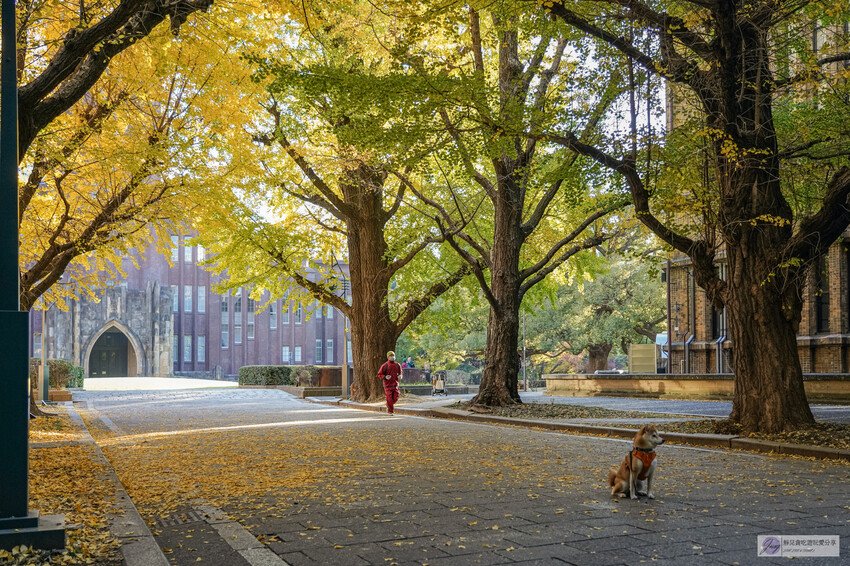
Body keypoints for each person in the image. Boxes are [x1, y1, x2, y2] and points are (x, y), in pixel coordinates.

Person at [377, 350, 402, 415]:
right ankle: (390, 411)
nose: (392, 357)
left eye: (393, 355)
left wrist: (400, 376)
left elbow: (400, 373)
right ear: (388, 357)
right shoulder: (385, 365)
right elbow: (379, 374)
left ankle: (388, 404)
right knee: (389, 398)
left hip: (395, 384)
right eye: (391, 356)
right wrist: (385, 377)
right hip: (388, 385)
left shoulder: (397, 365)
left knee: (396, 397)